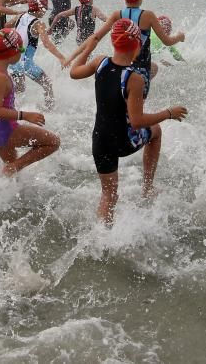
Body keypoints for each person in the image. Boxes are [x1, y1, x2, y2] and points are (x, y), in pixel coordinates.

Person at [70, 19, 188, 225]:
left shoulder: (100, 62)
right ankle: (148, 186)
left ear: (113, 42)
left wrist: (89, 46)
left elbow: (74, 72)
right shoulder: (134, 78)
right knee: (156, 131)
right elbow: (137, 121)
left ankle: (101, 237)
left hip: (100, 141)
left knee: (109, 196)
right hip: (122, 141)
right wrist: (168, 112)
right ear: (137, 46)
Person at [0, 29, 60, 176]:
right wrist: (25, 115)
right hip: (6, 130)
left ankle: (7, 186)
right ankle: (14, 167)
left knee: (12, 174)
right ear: (12, 53)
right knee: (52, 142)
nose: (22, 52)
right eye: (21, 48)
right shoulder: (0, 78)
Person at [69, 0, 185, 98]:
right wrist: (179, 37)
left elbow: (95, 38)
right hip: (141, 65)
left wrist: (73, 56)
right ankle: (134, 94)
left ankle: (122, 90)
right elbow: (167, 41)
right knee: (153, 68)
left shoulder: (117, 15)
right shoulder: (148, 16)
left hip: (121, 63)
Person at [8, 0, 68, 109]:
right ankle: (50, 110)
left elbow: (6, 26)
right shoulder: (39, 24)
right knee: (47, 84)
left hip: (13, 61)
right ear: (40, 8)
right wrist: (61, 57)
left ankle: (10, 108)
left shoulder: (20, 16)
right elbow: (47, 44)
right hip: (26, 64)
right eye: (44, 8)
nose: (45, 11)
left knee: (19, 90)